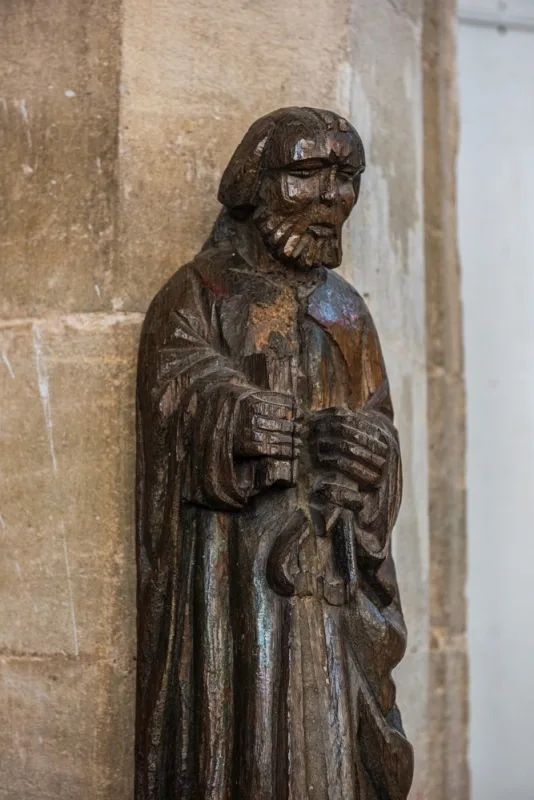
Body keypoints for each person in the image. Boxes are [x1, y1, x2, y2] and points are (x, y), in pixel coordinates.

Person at [135, 106, 413, 800]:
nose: (329, 200)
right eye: (305, 175)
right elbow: (173, 394)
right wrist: (236, 420)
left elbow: (379, 424)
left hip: (324, 584)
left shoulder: (347, 311)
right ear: (254, 184)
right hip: (228, 587)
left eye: (344, 179)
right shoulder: (198, 295)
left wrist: (369, 452)